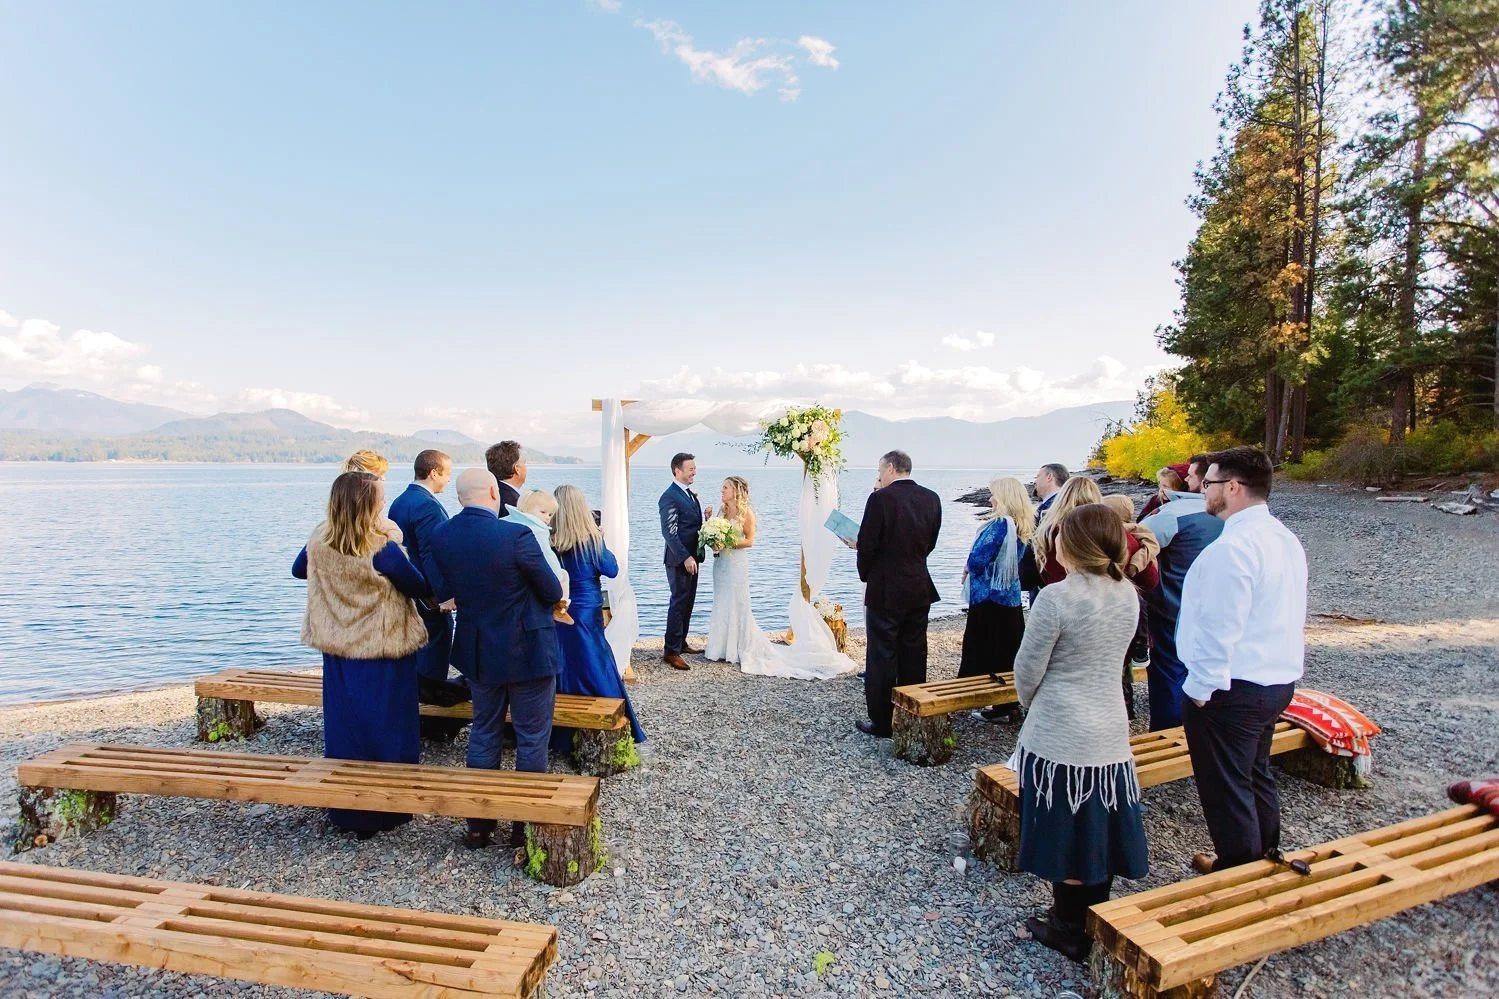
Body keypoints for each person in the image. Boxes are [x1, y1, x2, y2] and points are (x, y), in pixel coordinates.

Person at [1012, 503, 1149, 962]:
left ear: (1069, 545)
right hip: (1109, 722)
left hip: (1061, 727)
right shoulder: (1127, 593)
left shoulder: (1056, 598)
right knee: (1097, 824)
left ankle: (1068, 926)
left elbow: (1028, 669)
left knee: (1065, 828)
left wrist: (1032, 706)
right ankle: (1091, 915)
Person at [1178, 447, 1306, 873]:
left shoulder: (1232, 549)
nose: (1202, 491)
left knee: (1225, 787)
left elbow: (1219, 627)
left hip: (1231, 686)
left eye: (1209, 483)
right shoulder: (1284, 538)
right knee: (1255, 773)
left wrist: (1199, 690)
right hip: (1274, 678)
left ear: (1232, 487)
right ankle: (1265, 853)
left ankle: (1238, 871)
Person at [421, 468, 563, 850]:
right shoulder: (514, 534)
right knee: (533, 738)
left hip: (479, 649)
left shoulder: (442, 535)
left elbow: (445, 590)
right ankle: (523, 825)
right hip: (528, 650)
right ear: (491, 492)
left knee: (483, 732)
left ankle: (479, 825)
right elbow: (550, 590)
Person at [292, 471, 430, 839]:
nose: (384, 504)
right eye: (379, 499)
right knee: (389, 726)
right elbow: (418, 584)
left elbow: (297, 570)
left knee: (345, 724)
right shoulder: (381, 548)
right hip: (381, 647)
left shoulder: (319, 541)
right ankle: (387, 809)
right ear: (368, 505)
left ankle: (347, 807)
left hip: (338, 647)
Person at [549, 484, 645, 752]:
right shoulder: (591, 540)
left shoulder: (551, 539)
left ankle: (562, 737)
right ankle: (612, 718)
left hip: (561, 609)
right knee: (596, 663)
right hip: (587, 608)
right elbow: (612, 570)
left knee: (564, 665)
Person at [855, 450, 943, 738]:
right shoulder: (931, 498)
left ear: (891, 468)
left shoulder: (880, 499)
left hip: (886, 588)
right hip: (918, 586)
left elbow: (867, 545)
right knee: (914, 653)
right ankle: (912, 714)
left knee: (881, 656)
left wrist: (868, 573)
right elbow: (930, 543)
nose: (879, 475)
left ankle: (882, 722)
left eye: (880, 470)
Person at [1139, 476, 1225, 730]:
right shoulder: (1231, 517)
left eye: (1192, 474)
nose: (1188, 477)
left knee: (1169, 671)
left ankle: (1167, 731)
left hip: (1173, 603)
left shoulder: (1172, 514)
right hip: (1215, 604)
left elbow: (1135, 541)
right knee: (1207, 664)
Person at [958, 477, 1033, 724]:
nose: (990, 498)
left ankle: (967, 696)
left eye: (993, 494)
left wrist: (967, 567)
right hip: (1009, 596)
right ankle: (1008, 704)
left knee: (980, 649)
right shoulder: (1022, 525)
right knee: (1008, 651)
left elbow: (979, 558)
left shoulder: (999, 525)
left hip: (988, 596)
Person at [387, 449, 456, 685]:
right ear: (434, 472)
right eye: (447, 474)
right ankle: (430, 707)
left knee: (414, 649)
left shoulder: (400, 501)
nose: (448, 479)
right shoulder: (427, 506)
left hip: (405, 587)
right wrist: (445, 595)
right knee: (435, 646)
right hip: (428, 593)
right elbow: (431, 553)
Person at [1102, 493, 1161, 720]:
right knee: (1122, 669)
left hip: (1116, 610)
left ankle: (1120, 714)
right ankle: (1127, 712)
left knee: (1115, 670)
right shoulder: (1140, 538)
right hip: (1133, 611)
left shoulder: (1118, 539)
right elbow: (1151, 581)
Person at [659, 453, 705, 671]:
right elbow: (669, 532)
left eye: (695, 468)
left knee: (688, 602)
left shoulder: (689, 494)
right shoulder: (669, 496)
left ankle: (681, 641)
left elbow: (690, 525)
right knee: (678, 602)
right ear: (677, 470)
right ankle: (671, 651)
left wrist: (705, 517)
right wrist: (685, 556)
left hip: (693, 558)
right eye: (690, 468)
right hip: (679, 559)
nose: (694, 472)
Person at [510, 489, 573, 624]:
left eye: (550, 514)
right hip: (534, 573)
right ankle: (560, 609)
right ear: (527, 509)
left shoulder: (509, 521)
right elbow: (547, 555)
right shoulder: (538, 530)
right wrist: (557, 574)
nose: (547, 518)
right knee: (564, 576)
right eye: (543, 512)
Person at [1020, 463, 1069, 602]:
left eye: (1038, 476)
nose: (1035, 481)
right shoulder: (1055, 504)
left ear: (1050, 477)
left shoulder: (1054, 508)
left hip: (1047, 579)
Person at [485, 440, 526, 515]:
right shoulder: (515, 505)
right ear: (517, 469)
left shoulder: (485, 495)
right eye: (524, 463)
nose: (526, 468)